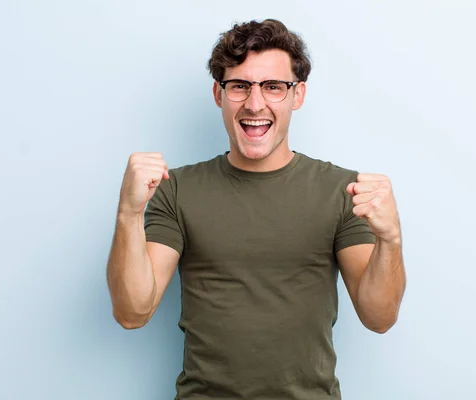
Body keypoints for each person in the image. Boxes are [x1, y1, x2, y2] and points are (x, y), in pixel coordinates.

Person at [106, 18, 406, 400]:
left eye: (273, 87)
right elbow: (132, 313)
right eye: (239, 86)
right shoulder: (175, 190)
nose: (254, 103)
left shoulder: (343, 190)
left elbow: (379, 318)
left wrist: (390, 238)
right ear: (219, 93)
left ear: (297, 95)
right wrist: (128, 214)